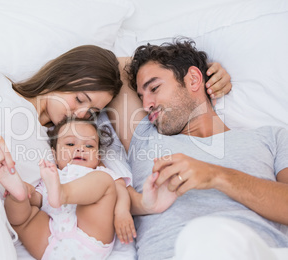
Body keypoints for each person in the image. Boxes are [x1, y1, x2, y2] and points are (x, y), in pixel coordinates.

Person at [0, 43, 230, 259]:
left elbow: (137, 68)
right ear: (64, 75)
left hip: (1, 223)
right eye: (79, 100)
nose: (80, 114)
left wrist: (204, 72)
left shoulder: (63, 150)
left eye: (89, 111)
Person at [106, 38, 288, 259]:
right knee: (201, 236)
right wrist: (204, 71)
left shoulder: (271, 138)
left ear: (193, 79)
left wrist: (216, 176)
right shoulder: (144, 137)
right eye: (141, 95)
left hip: (261, 251)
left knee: (207, 235)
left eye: (154, 88)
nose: (146, 105)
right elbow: (111, 65)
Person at [0, 118, 133, 259]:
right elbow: (37, 200)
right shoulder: (51, 176)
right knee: (23, 219)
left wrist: (122, 212)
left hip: (90, 238)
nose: (80, 148)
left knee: (104, 182)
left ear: (98, 158)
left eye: (89, 146)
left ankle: (63, 193)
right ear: (54, 155)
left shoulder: (101, 172)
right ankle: (18, 194)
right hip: (50, 240)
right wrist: (28, 192)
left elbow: (121, 191)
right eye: (70, 144)